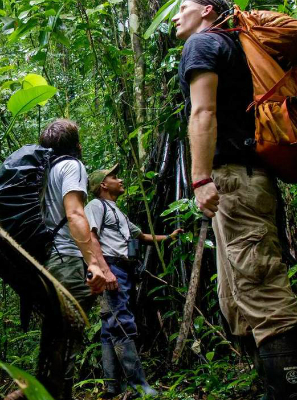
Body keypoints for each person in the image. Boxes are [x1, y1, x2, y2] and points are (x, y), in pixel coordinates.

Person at [172, 1, 297, 399]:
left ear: (205, 10)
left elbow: (203, 112)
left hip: (234, 178)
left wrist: (200, 178)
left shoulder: (203, 45)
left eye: (182, 6)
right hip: (249, 179)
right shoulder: (236, 46)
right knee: (236, 299)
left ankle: (293, 392)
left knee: (260, 287)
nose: (174, 15)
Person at [37, 118, 118, 400]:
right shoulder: (72, 167)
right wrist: (93, 263)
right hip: (69, 261)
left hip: (50, 261)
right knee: (68, 339)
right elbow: (74, 214)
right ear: (77, 145)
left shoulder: (44, 172)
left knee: (54, 338)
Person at [85, 164, 183, 398]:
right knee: (121, 322)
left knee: (111, 327)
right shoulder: (95, 206)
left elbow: (141, 236)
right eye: (114, 177)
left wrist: (167, 237)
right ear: (103, 185)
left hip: (124, 269)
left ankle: (112, 387)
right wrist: (104, 270)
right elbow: (91, 236)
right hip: (112, 267)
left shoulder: (118, 212)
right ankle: (139, 386)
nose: (119, 180)